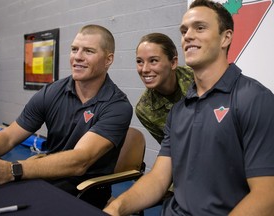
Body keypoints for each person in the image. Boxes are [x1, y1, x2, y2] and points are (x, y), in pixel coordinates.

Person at [103, 0, 274, 215]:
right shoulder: (179, 111)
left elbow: (267, 195)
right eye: (184, 31)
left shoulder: (254, 99)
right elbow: (158, 178)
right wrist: (117, 207)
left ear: (226, 37)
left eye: (200, 28)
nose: (188, 36)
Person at [0, 24, 133, 209]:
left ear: (108, 59)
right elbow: (8, 137)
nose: (77, 57)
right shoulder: (52, 92)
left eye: (88, 51)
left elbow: (80, 160)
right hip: (46, 177)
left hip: (84, 192)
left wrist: (11, 170)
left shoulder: (117, 106)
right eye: (74, 49)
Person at [135, 33, 193, 144]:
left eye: (153, 61)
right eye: (140, 62)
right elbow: (171, 147)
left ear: (173, 62)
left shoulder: (196, 76)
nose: (145, 69)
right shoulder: (144, 109)